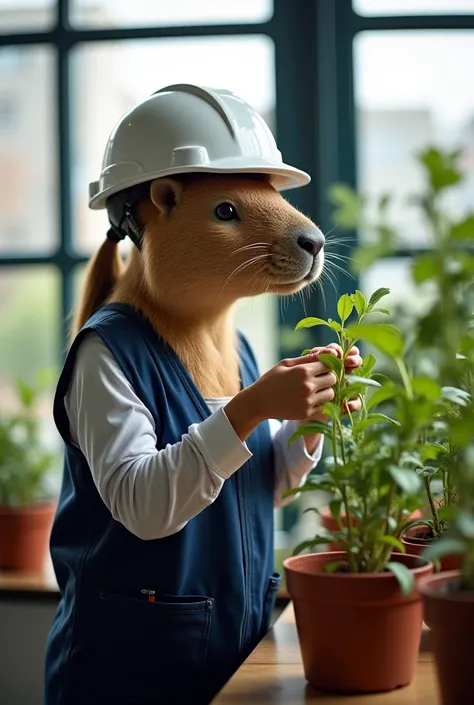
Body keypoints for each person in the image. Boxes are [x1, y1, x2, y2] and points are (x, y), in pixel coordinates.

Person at [44, 84, 362, 705]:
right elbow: (143, 503)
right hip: (129, 676)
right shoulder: (107, 353)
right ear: (161, 205)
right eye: (225, 211)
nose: (306, 233)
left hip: (228, 660)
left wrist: (307, 420)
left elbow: (255, 486)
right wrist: (252, 408)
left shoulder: (236, 347)